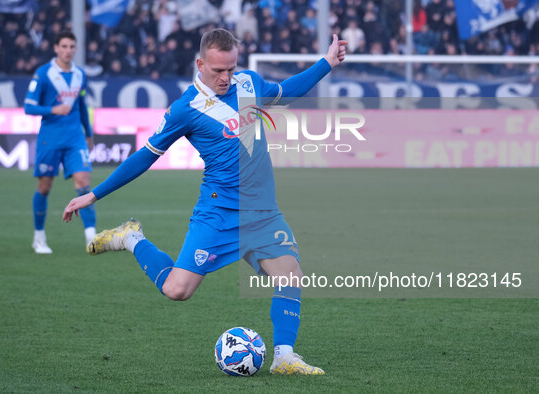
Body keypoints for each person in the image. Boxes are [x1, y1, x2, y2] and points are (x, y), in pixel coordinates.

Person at [63, 28, 346, 375]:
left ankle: (284, 357)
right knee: (177, 290)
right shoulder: (185, 109)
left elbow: (289, 90)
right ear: (200, 64)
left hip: (262, 212)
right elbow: (144, 156)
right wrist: (93, 194)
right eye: (218, 71)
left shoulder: (249, 83)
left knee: (290, 275)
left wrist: (327, 62)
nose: (226, 77)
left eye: (231, 68)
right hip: (218, 214)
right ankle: (130, 237)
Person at [25, 31, 96, 254]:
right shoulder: (43, 74)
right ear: (56, 48)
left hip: (75, 137)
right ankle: (39, 237)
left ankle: (92, 238)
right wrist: (52, 109)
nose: (68, 51)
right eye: (64, 46)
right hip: (50, 138)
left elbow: (82, 104)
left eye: (72, 47)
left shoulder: (80, 75)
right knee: (45, 187)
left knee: (84, 183)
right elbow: (28, 107)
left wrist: (89, 133)